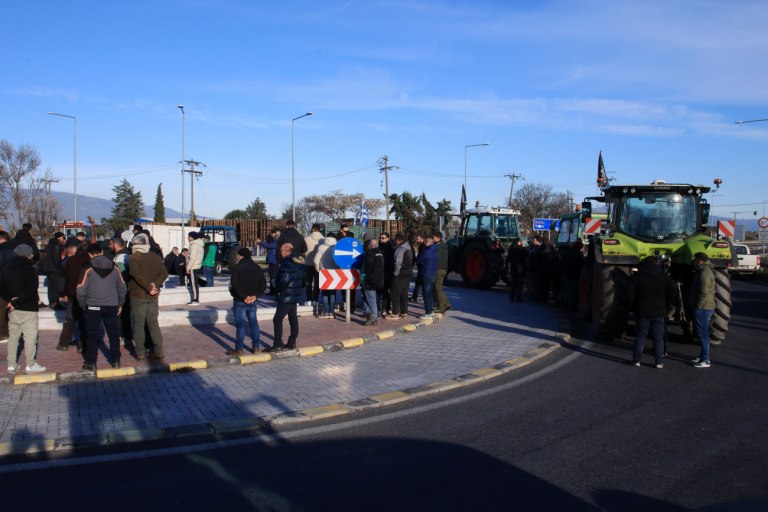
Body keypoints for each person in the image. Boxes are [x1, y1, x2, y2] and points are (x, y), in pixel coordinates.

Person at [77, 243, 127, 370]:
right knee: (113, 334)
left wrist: (82, 304)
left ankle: (91, 362)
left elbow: (81, 289)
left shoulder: (87, 267)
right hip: (111, 304)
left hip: (92, 305)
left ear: (89, 254)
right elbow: (122, 287)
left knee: (92, 334)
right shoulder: (114, 267)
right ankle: (116, 360)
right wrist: (120, 303)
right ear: (102, 252)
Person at [1, 244, 47, 374]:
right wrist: (18, 301)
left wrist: (11, 300)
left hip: (12, 308)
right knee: (30, 337)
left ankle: (11, 364)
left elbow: (2, 287)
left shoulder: (6, 268)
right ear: (29, 255)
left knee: (13, 337)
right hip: (28, 307)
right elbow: (32, 289)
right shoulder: (31, 268)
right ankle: (30, 364)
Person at [629, 256, 676, 369]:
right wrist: (667, 305)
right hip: (659, 311)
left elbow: (630, 295)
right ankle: (658, 362)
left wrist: (633, 307)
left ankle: (637, 360)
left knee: (641, 336)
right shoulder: (664, 276)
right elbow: (672, 292)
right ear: (656, 263)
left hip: (642, 311)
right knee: (658, 338)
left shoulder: (636, 277)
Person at [128, 234, 169, 361]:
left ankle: (140, 352)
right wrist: (154, 285)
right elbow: (165, 273)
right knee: (153, 324)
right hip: (153, 295)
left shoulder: (134, 257)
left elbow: (135, 274)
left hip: (138, 295)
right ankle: (158, 350)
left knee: (138, 325)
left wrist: (148, 287)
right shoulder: (156, 257)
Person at [227, 247, 266, 355]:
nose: (236, 258)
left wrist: (244, 297)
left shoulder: (237, 268)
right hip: (252, 301)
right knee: (254, 324)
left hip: (240, 300)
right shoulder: (257, 268)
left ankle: (239, 349)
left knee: (240, 325)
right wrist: (255, 296)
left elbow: (234, 285)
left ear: (241, 256)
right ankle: (256, 347)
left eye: (237, 256)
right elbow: (263, 285)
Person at [266, 243, 304, 352]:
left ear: (287, 251)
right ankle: (292, 342)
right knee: (293, 318)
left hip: (286, 295)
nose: (280, 253)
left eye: (281, 251)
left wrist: (276, 285)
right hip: (294, 293)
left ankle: (278, 343)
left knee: (277, 319)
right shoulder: (299, 260)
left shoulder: (287, 262)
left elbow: (284, 279)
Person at [57, 241, 90, 352]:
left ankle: (63, 343)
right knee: (85, 319)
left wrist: (62, 293)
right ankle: (83, 345)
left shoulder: (70, 261)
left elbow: (62, 278)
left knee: (70, 318)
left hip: (72, 293)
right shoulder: (91, 260)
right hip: (87, 294)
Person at [690, 252, 716, 368]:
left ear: (700, 260)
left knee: (703, 334)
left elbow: (704, 292)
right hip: (705, 306)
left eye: (695, 259)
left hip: (703, 307)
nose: (694, 261)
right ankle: (702, 356)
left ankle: (705, 359)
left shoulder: (705, 273)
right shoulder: (703, 270)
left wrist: (698, 306)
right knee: (702, 333)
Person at [110, 236, 134, 350]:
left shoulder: (120, 258)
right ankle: (128, 336)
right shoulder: (126, 255)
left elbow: (121, 276)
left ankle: (124, 337)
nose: (109, 246)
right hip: (127, 290)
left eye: (110, 244)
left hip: (122, 291)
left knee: (122, 316)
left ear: (115, 244)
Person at [389, 233, 414, 319]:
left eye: (396, 240)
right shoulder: (409, 248)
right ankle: (404, 312)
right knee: (404, 293)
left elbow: (398, 263)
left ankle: (395, 313)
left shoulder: (400, 249)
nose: (395, 242)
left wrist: (395, 274)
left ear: (399, 240)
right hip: (408, 273)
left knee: (395, 293)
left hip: (400, 273)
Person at [314, 232, 338, 318]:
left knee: (324, 292)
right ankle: (332, 311)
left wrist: (318, 270)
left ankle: (325, 311)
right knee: (332, 293)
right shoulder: (337, 247)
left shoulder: (321, 246)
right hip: (334, 272)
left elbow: (316, 260)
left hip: (323, 272)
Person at [41, 232, 66, 309]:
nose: (64, 239)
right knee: (56, 286)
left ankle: (52, 302)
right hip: (55, 269)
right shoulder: (57, 246)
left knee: (51, 286)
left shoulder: (48, 245)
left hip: (48, 268)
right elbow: (56, 258)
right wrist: (60, 265)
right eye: (63, 237)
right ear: (59, 238)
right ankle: (55, 302)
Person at [362, 238, 384, 326]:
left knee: (371, 300)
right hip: (377, 280)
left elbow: (368, 269)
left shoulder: (370, 254)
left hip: (369, 281)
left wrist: (368, 279)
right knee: (367, 299)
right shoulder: (380, 254)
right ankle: (369, 317)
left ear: (370, 246)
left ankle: (373, 319)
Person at [304, 223, 325, 315]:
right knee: (317, 283)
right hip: (319, 264)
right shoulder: (323, 240)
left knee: (308, 282)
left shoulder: (306, 239)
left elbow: (303, 250)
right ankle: (316, 299)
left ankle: (309, 299)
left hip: (308, 263)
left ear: (312, 229)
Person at [416, 234, 438, 320]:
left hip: (426, 273)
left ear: (427, 242)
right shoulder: (435, 249)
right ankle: (431, 311)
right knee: (430, 293)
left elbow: (419, 260)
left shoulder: (427, 251)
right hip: (433, 273)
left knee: (426, 294)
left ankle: (428, 312)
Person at [527, 235, 554, 302]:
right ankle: (544, 298)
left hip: (539, 269)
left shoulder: (540, 248)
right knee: (545, 285)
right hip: (546, 269)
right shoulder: (550, 247)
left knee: (540, 284)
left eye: (534, 240)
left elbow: (536, 259)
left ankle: (539, 297)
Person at [561, 240, 584, 312]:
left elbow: (562, 262)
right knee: (573, 292)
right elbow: (580, 264)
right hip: (574, 275)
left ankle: (567, 305)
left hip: (566, 273)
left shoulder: (567, 252)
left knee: (567, 290)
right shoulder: (578, 254)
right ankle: (572, 307)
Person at [0, 231, 15, 342]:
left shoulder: (1, 250)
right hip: (16, 282)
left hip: (2, 282)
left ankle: (3, 333)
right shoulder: (16, 248)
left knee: (2, 308)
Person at [432, 231, 451, 314]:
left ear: (437, 238)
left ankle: (441, 307)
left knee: (437, 288)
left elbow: (438, 259)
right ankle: (446, 303)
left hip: (439, 269)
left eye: (433, 237)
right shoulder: (444, 245)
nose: (432, 239)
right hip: (444, 269)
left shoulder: (439, 247)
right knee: (438, 287)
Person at [258, 229, 280, 294]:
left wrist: (260, 242)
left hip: (273, 261)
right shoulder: (276, 242)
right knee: (272, 276)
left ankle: (273, 290)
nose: (275, 235)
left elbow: (268, 246)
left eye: (277, 234)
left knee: (273, 276)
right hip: (273, 261)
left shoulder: (277, 242)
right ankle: (273, 290)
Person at [378, 232, 395, 318]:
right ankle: (386, 307)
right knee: (384, 291)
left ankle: (386, 308)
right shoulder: (380, 246)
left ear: (388, 238)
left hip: (389, 272)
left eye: (383, 238)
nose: (381, 239)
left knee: (387, 291)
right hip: (382, 272)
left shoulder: (391, 246)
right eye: (380, 238)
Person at [507, 238, 528, 303]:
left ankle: (512, 297)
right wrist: (525, 246)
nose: (521, 242)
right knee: (520, 284)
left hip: (513, 268)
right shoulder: (520, 249)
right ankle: (518, 298)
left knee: (514, 283)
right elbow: (526, 254)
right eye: (520, 242)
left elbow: (508, 259)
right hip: (519, 268)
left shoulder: (511, 249)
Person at [186, 231, 204, 305]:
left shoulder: (194, 245)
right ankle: (195, 299)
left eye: (189, 237)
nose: (188, 238)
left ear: (192, 237)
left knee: (194, 283)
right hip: (197, 266)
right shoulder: (199, 245)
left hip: (193, 267)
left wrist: (188, 267)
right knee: (194, 283)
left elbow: (192, 258)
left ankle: (195, 300)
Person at [410, 233, 426, 303]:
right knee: (420, 284)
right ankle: (416, 297)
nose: (417, 240)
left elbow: (421, 256)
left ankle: (415, 297)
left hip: (422, 268)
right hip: (422, 268)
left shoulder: (422, 246)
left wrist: (417, 260)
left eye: (417, 239)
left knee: (419, 284)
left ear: (421, 238)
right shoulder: (423, 245)